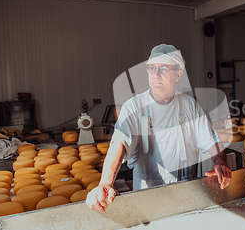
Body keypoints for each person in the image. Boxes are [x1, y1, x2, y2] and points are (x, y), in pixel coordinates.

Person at [86, 44, 232, 212]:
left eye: (163, 68)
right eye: (152, 68)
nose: (156, 74)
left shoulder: (189, 105)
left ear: (178, 74)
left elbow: (211, 140)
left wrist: (220, 162)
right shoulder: (134, 106)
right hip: (147, 196)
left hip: (186, 192)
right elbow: (119, 142)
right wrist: (105, 183)